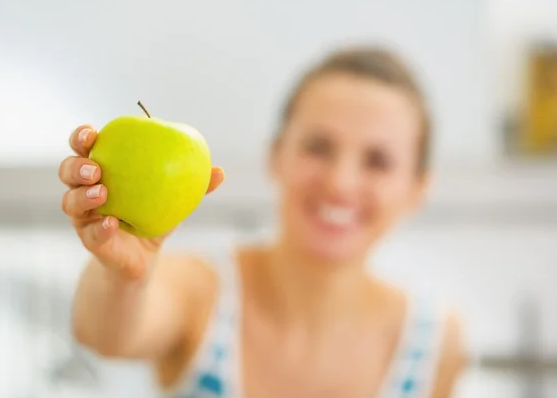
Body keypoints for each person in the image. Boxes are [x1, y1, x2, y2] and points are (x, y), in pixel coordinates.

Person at [59, 46, 468, 397]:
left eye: (378, 161)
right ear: (276, 155)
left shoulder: (433, 341)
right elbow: (102, 334)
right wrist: (123, 276)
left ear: (418, 188)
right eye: (318, 147)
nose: (341, 183)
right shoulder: (201, 291)